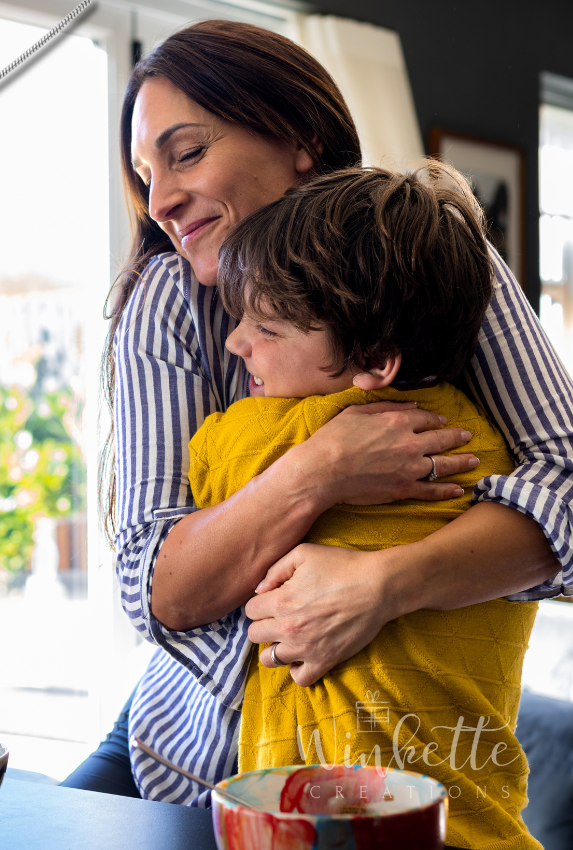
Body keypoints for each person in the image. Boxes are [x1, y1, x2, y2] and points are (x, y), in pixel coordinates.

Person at [60, 20, 572, 809]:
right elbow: (153, 588)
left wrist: (382, 584)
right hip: (189, 760)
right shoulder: (166, 303)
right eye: (144, 172)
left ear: (299, 137)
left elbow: (566, 490)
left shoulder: (436, 260)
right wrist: (325, 468)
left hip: (396, 775)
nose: (159, 199)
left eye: (186, 152)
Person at [187, 162, 538, 849]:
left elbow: (200, 482)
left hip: (324, 826)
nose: (237, 343)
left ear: (376, 362)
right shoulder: (493, 452)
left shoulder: (267, 438)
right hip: (477, 822)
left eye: (267, 328)